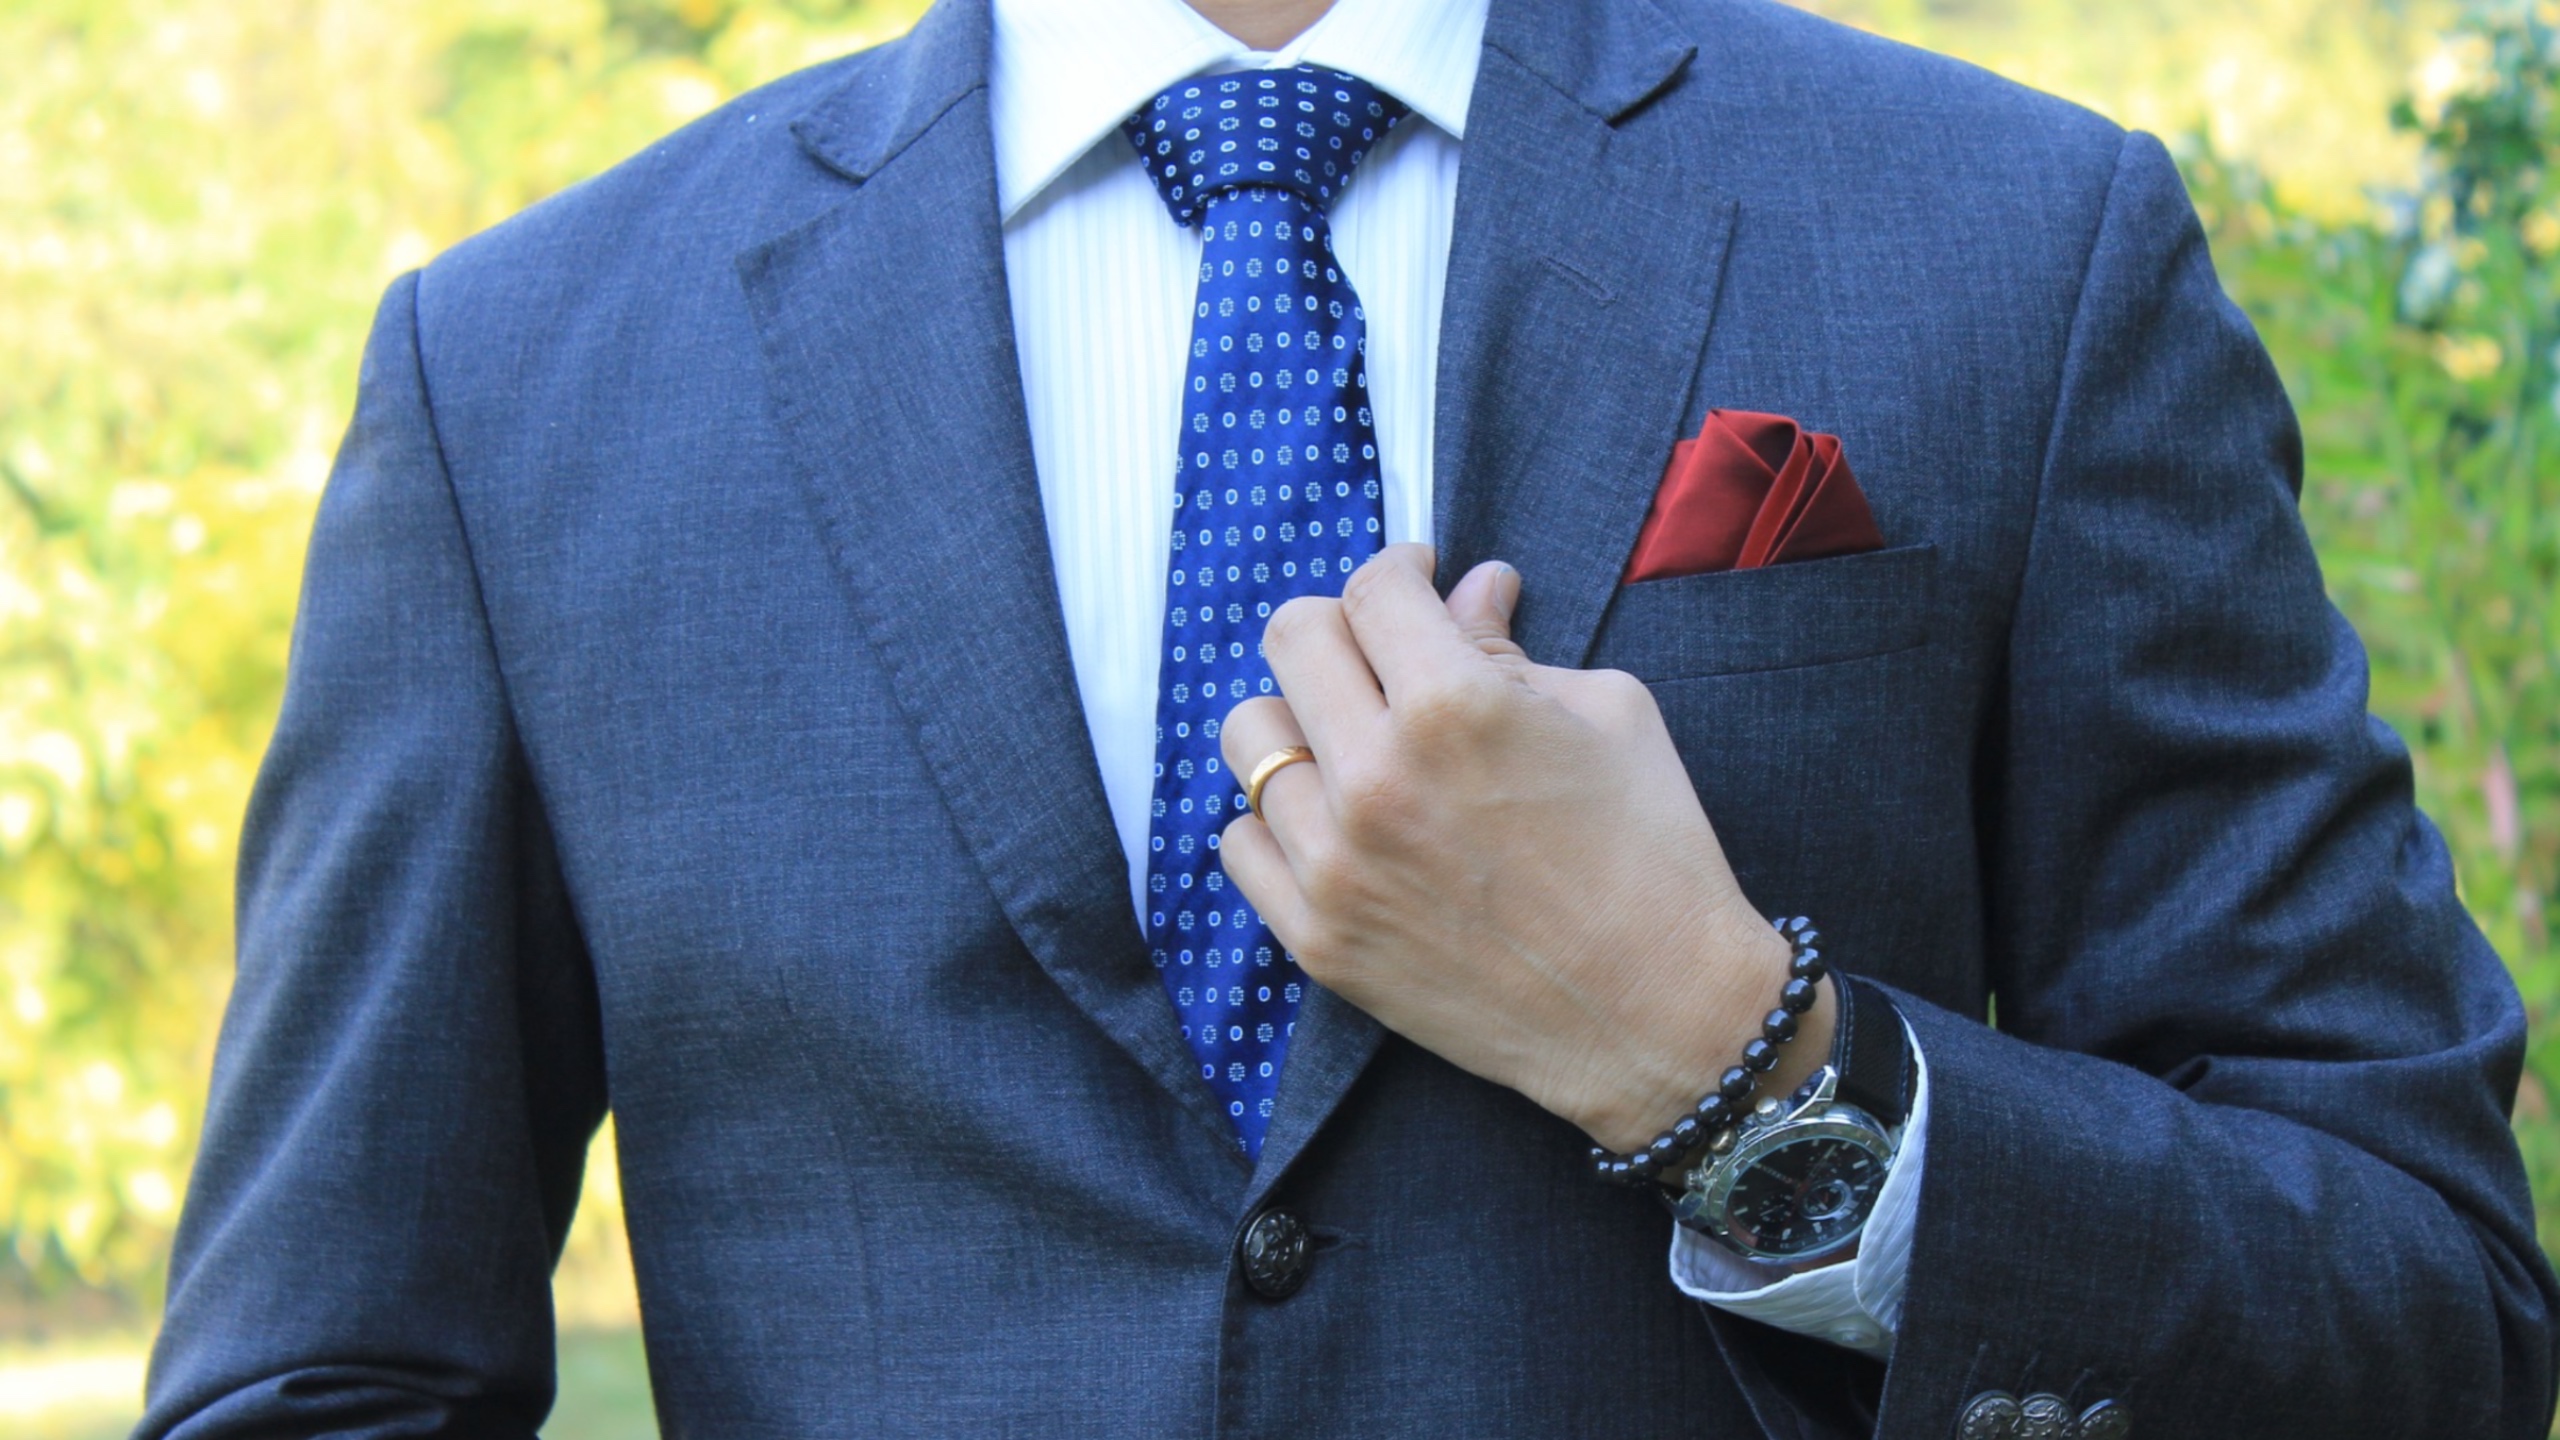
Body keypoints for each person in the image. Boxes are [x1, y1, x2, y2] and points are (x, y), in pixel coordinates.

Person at [139, 0, 2560, 1434]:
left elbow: (2430, 1317)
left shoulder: (2013, 246)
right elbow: (315, 1376)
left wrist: (1733, 1061)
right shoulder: (520, 379)